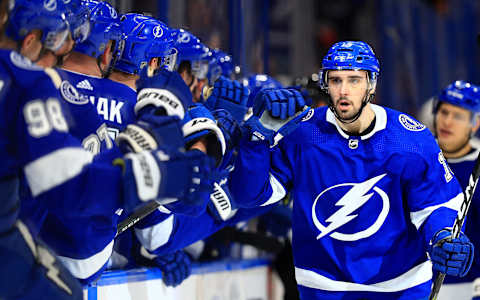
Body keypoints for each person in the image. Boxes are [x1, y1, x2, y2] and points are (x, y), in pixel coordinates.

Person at [228, 41, 474, 299]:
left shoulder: (409, 139)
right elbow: (249, 197)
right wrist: (256, 140)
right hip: (324, 287)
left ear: (372, 84)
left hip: (402, 286)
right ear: (326, 84)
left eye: (354, 80)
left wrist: (443, 236)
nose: (344, 91)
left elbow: (437, 205)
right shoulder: (302, 133)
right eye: (335, 80)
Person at [432, 80, 480, 300]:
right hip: (414, 285)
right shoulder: (415, 156)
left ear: (475, 123)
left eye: (458, 116)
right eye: (444, 112)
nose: (447, 121)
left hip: (468, 289)